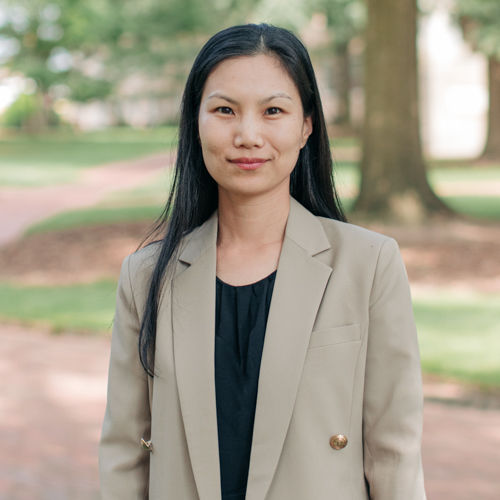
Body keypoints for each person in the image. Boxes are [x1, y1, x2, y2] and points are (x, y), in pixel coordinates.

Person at [99, 23, 426, 500]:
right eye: (224, 110)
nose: (247, 135)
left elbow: (395, 454)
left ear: (306, 125)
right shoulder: (147, 276)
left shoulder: (368, 265)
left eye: (273, 111)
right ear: (196, 120)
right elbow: (124, 454)